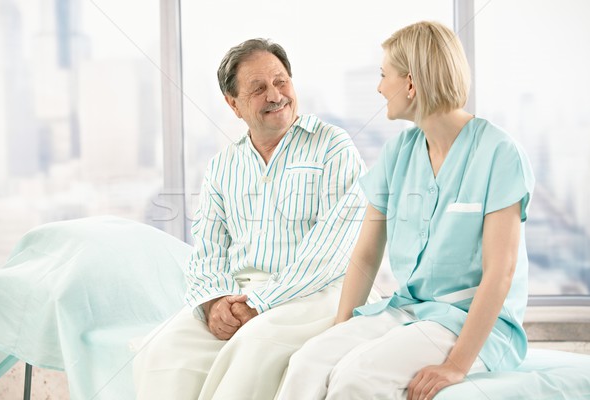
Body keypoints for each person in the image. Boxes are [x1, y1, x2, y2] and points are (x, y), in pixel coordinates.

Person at [276, 21, 535, 400]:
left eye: (385, 76)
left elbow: (501, 272)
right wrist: (341, 328)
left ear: (411, 84)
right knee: (307, 362)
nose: (379, 87)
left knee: (355, 379)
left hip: (469, 322)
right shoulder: (399, 152)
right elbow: (366, 253)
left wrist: (456, 365)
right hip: (409, 310)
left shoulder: (499, 153)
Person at [133, 38, 369, 399]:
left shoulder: (332, 145)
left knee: (253, 348)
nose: (275, 95)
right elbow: (207, 250)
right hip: (241, 295)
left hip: (319, 293)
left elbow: (334, 249)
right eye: (258, 88)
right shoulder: (222, 165)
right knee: (161, 350)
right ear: (233, 104)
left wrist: (262, 303)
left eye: (281, 81)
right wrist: (214, 303)